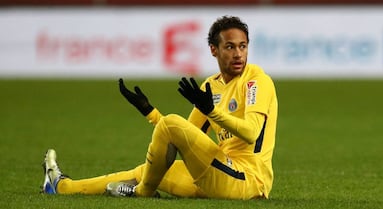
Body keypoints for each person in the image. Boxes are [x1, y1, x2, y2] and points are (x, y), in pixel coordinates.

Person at [41, 15, 278, 199]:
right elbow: (181, 135)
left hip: (247, 180)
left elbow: (251, 133)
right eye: (230, 47)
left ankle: (142, 192)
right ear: (214, 50)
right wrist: (150, 112)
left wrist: (213, 112)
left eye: (243, 46)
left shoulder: (257, 81)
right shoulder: (211, 86)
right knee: (146, 171)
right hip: (220, 172)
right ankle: (62, 187)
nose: (238, 54)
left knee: (170, 129)